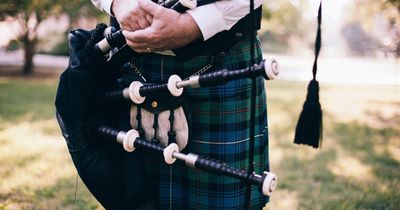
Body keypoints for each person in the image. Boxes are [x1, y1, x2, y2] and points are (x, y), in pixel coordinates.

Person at [90, 0, 269, 209]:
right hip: (130, 60)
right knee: (135, 199)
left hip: (222, 58)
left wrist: (194, 23)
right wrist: (119, 3)